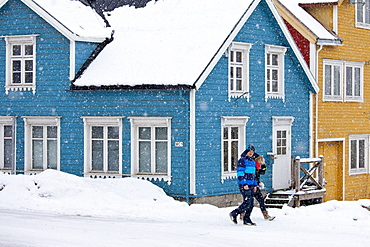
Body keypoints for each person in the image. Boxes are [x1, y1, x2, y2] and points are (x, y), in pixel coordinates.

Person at [229, 144, 258, 226]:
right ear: (246, 151)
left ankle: (247, 219)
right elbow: (240, 173)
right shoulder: (242, 160)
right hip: (244, 185)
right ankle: (234, 213)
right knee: (247, 202)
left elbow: (253, 174)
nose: (251, 153)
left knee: (251, 203)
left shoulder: (252, 161)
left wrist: (255, 185)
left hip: (251, 184)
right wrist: (244, 183)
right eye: (249, 151)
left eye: (252, 152)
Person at [254, 155, 275, 221]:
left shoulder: (258, 166)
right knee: (248, 202)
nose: (261, 161)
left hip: (256, 185)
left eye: (261, 160)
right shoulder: (253, 167)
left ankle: (265, 214)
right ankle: (241, 213)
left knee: (261, 200)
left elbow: (262, 172)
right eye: (260, 160)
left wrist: (263, 166)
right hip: (252, 186)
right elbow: (253, 176)